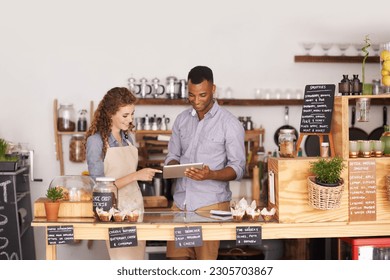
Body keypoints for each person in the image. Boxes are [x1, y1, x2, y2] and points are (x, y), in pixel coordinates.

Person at [164, 65, 246, 260]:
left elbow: (238, 168)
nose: (196, 101)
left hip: (211, 208)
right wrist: (174, 167)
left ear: (213, 89)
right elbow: (172, 155)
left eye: (202, 95)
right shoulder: (181, 120)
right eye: (191, 95)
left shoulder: (230, 124)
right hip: (180, 206)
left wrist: (211, 175)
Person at [85, 87, 161, 260]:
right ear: (110, 114)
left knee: (137, 264)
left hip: (135, 209)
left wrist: (140, 175)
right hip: (115, 212)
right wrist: (136, 176)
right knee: (123, 265)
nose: (130, 119)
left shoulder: (128, 139)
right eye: (125, 115)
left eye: (132, 114)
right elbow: (99, 188)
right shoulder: (96, 141)